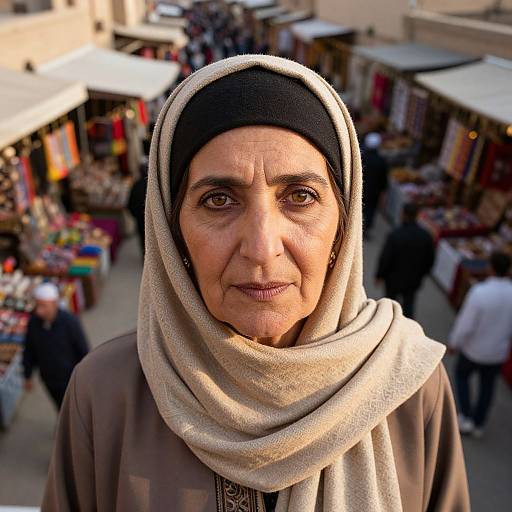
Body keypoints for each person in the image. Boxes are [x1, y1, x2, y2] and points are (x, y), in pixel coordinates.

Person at [42, 56, 469, 511]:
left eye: (300, 197)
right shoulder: (107, 394)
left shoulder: (408, 385)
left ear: (342, 228)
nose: (262, 247)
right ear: (172, 232)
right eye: (219, 199)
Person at [449, 251, 512, 438]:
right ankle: (478, 422)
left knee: (462, 376)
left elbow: (465, 323)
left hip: (473, 349)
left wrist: (454, 342)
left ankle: (466, 415)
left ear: (490, 268)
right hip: (497, 351)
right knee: (487, 387)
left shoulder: (480, 292)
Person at [23, 283, 89, 410]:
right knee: (61, 407)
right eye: (38, 305)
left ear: (54, 303)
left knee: (77, 408)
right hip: (49, 379)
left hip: (71, 379)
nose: (39, 311)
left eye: (44, 306)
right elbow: (29, 350)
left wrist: (85, 377)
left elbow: (83, 350)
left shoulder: (70, 323)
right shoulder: (33, 323)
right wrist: (27, 375)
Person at [375, 202, 435, 319]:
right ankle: (406, 328)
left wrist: (380, 275)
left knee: (390, 306)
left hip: (393, 279)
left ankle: (388, 326)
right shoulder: (425, 236)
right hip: (413, 279)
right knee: (409, 305)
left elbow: (386, 257)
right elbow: (430, 259)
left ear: (403, 214)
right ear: (417, 215)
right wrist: (422, 274)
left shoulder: (395, 235)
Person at [361, 132, 388, 237]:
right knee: (370, 210)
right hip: (374, 191)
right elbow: (384, 180)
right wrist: (383, 193)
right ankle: (365, 229)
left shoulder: (361, 157)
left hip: (362, 188)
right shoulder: (381, 161)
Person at [127, 162, 148, 257]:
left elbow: (130, 203)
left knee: (142, 237)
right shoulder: (152, 185)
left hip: (140, 217)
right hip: (150, 218)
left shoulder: (135, 185)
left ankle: (145, 256)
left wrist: (135, 215)